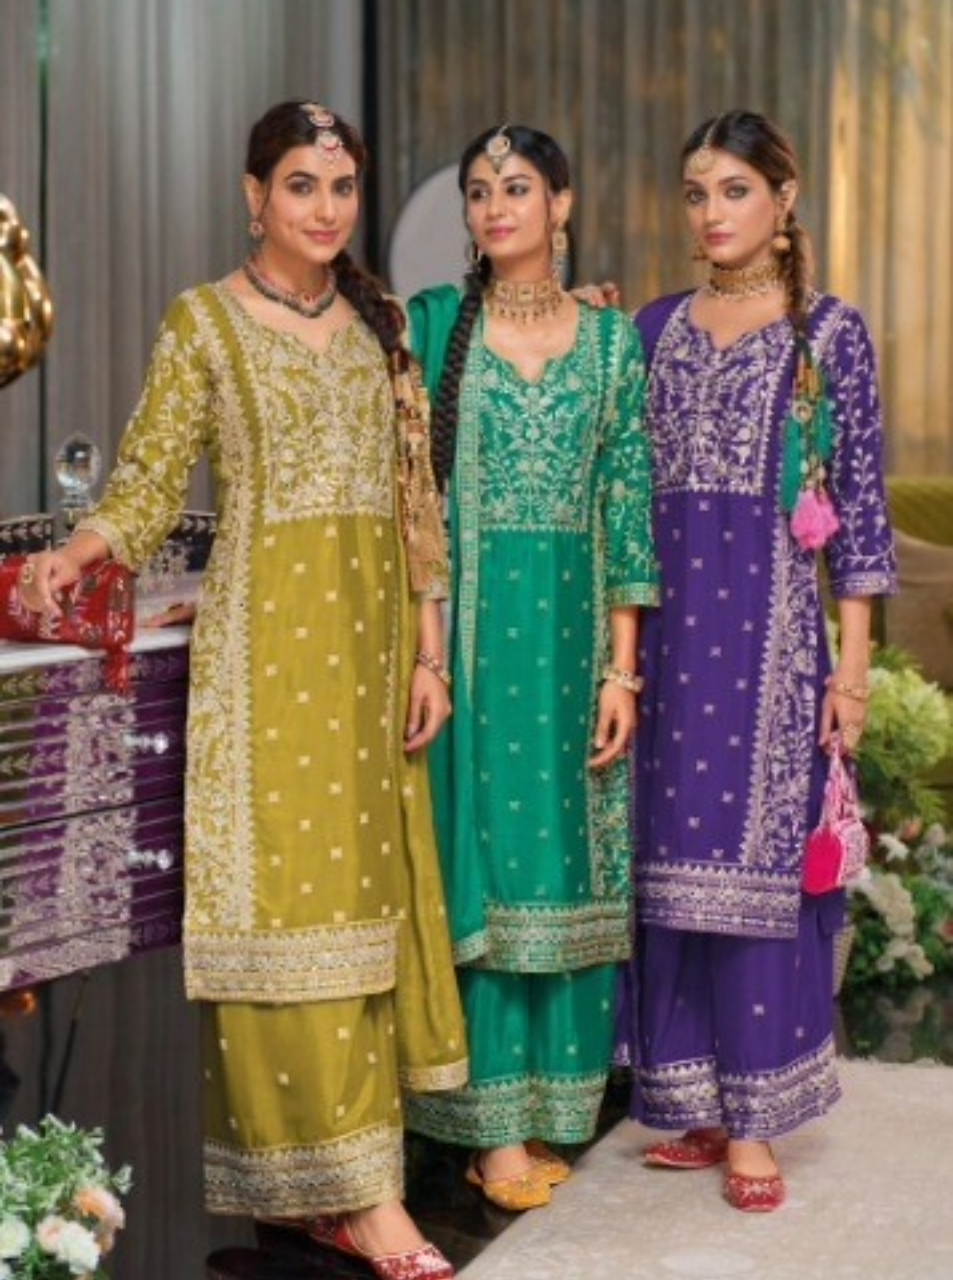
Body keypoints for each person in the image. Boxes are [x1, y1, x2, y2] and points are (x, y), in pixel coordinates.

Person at [18, 100, 467, 1280]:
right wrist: (79, 550)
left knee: (362, 912)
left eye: (341, 186)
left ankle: (353, 1188)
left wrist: (430, 652)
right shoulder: (204, 322)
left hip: (371, 655)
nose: (325, 208)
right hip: (268, 662)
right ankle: (354, 1198)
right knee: (286, 912)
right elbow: (148, 481)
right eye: (301, 185)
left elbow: (415, 500)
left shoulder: (378, 328)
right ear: (252, 195)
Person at [615, 109, 897, 1213]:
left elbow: (859, 513)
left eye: (733, 190)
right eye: (695, 193)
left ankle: (756, 1117)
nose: (710, 212)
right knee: (670, 864)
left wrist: (851, 671)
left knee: (758, 867)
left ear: (783, 200)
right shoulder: (650, 329)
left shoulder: (828, 335)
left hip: (772, 641)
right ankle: (692, 1101)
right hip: (665, 633)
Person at [404, 124, 659, 1211]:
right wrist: (425, 651)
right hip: (469, 639)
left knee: (566, 864)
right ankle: (489, 1129)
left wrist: (620, 673)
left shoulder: (609, 344)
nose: (495, 205)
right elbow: (411, 501)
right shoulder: (431, 327)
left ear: (561, 204)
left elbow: (626, 506)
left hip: (572, 639)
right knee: (492, 864)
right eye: (478, 191)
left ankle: (557, 1108)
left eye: (516, 187)